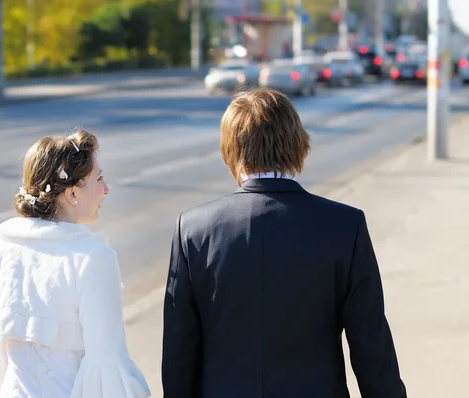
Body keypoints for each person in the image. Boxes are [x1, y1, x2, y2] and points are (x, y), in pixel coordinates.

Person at [162, 88, 406, 398]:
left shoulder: (193, 230)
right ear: (298, 145)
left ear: (230, 151)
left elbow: (179, 350)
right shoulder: (345, 225)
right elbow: (371, 345)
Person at [0, 130, 150, 398]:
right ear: (72, 194)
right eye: (99, 178)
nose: (106, 189)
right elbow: (106, 359)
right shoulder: (91, 258)